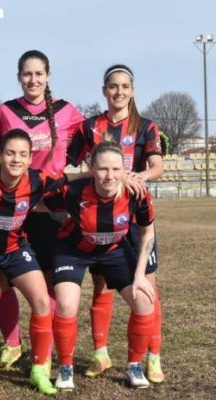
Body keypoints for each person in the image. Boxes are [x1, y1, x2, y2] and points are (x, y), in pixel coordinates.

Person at [66, 64, 164, 383]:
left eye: (124, 86)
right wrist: (94, 175)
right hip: (100, 216)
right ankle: (101, 354)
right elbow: (69, 163)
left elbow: (157, 166)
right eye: (113, 86)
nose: (118, 92)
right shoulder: (90, 126)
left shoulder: (146, 126)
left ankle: (152, 357)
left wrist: (136, 177)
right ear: (104, 91)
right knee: (101, 285)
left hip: (134, 218)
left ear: (132, 91)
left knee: (146, 287)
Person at [0, 50, 84, 370]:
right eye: (27, 74)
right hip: (15, 207)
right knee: (0, 278)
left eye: (39, 74)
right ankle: (12, 344)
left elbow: (94, 139)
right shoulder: (5, 112)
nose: (33, 80)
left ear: (48, 76)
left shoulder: (67, 111)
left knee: (47, 282)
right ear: (19, 77)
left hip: (52, 209)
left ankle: (44, 351)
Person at [0, 129, 68, 397]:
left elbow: (70, 181)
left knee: (42, 301)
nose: (16, 159)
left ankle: (39, 369)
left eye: (22, 154)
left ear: (30, 158)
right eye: (10, 153)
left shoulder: (37, 180)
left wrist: (112, 175)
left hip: (14, 250)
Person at [45, 140, 157, 390]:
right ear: (92, 169)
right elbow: (45, 195)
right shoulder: (74, 191)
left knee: (144, 302)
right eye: (103, 169)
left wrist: (140, 276)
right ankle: (65, 368)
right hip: (72, 251)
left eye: (116, 169)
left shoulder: (137, 193)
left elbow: (147, 232)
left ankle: (134, 365)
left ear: (124, 170)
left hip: (114, 251)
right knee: (66, 304)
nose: (110, 176)